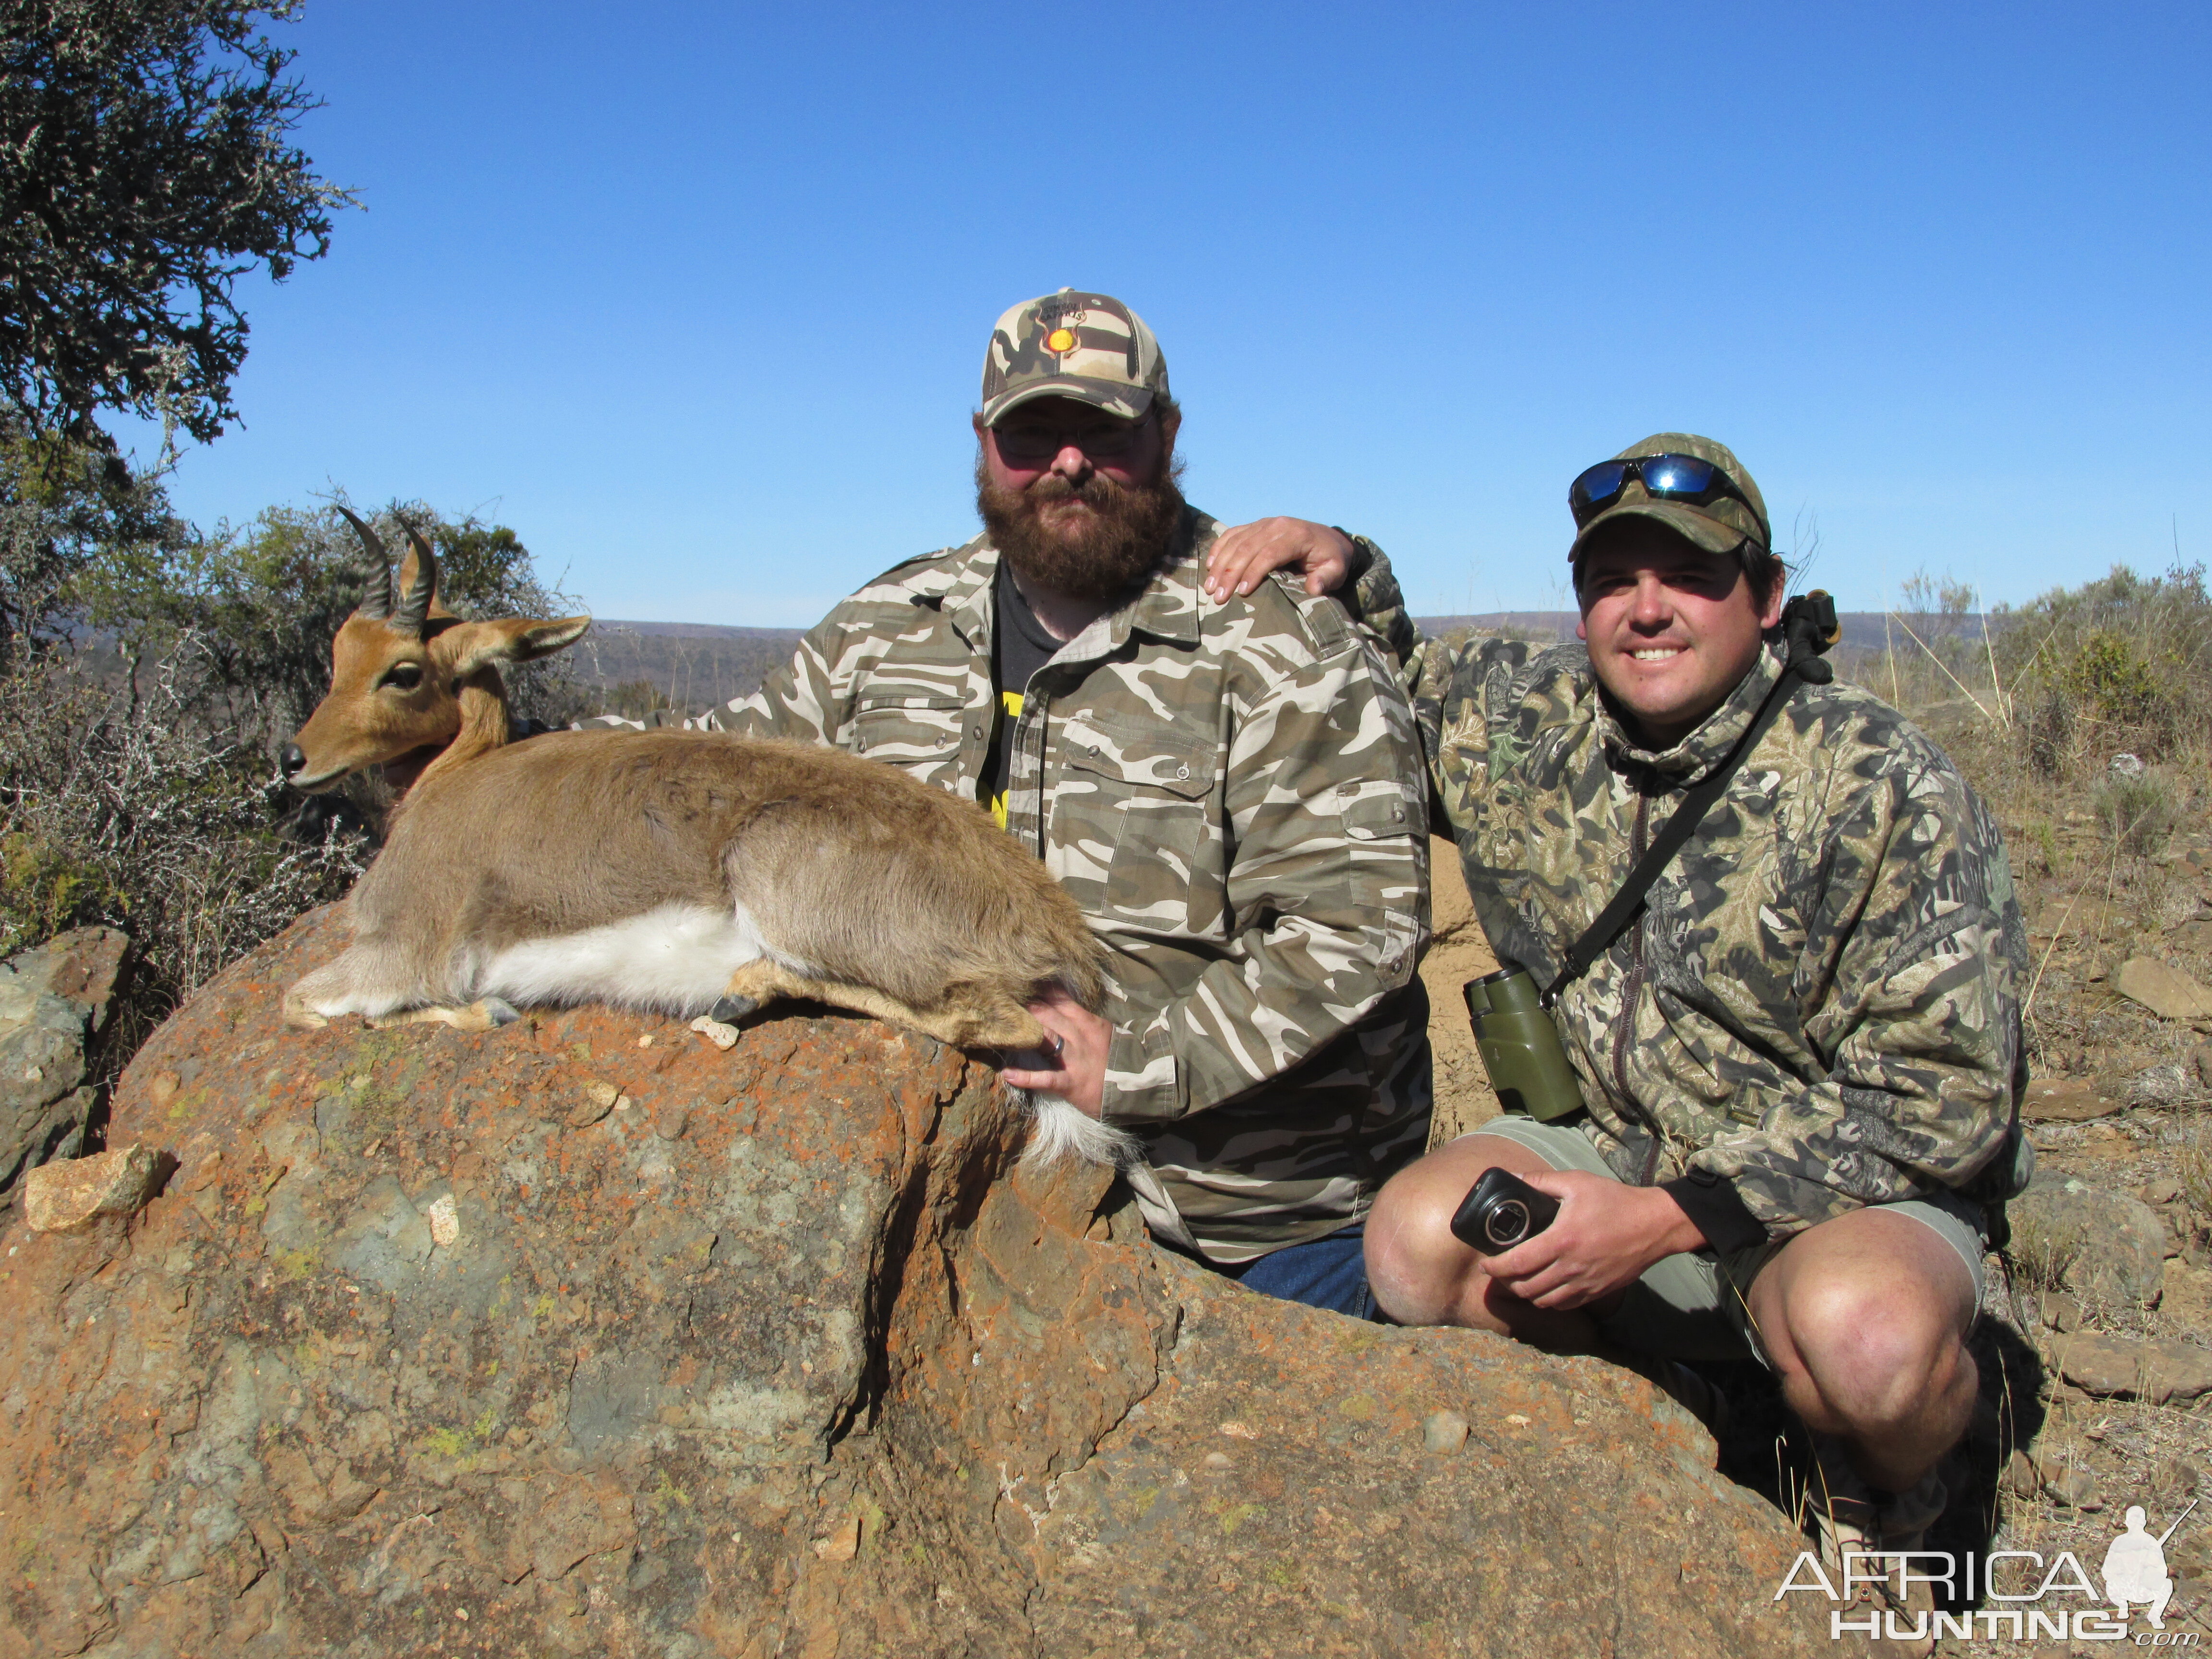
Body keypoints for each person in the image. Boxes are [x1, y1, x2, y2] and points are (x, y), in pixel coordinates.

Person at [1205, 433, 2030, 1563]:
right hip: (1611, 1152)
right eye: (1612, 580)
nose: (1648, 609)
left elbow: (1945, 1100)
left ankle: (1894, 1493)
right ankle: (1659, 1417)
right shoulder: (1526, 725)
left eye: (1690, 575)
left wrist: (1666, 1219)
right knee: (1408, 1246)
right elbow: (1391, 664)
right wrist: (1345, 556)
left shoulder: (1886, 785)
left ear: (1769, 593)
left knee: (1869, 1341)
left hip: (1826, 1203)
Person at [601, 289, 1433, 1316]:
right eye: (1032, 431)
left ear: (1167, 438)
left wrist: (1135, 1068)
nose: (1068, 461)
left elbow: (1356, 929)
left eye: (1105, 433)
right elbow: (707, 780)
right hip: (954, 1187)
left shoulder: (1285, 647)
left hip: (1243, 1229)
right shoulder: (881, 631)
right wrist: (493, 768)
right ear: (984, 444)